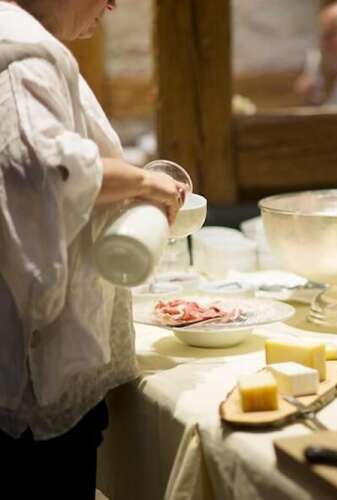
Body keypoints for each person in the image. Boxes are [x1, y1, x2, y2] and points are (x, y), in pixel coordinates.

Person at [0, 1, 186, 498]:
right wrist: (142, 182)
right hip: (32, 377)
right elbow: (46, 168)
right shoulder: (22, 52)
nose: (112, 3)